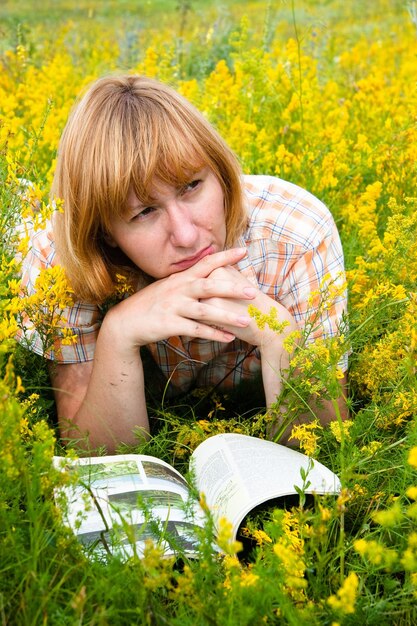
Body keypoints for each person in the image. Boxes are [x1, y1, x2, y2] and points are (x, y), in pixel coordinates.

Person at [17, 74, 348, 453]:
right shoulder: (59, 264)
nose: (186, 235)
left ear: (221, 174)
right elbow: (93, 455)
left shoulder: (295, 235)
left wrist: (282, 336)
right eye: (144, 212)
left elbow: (325, 450)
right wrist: (118, 334)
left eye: (191, 186)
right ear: (106, 232)